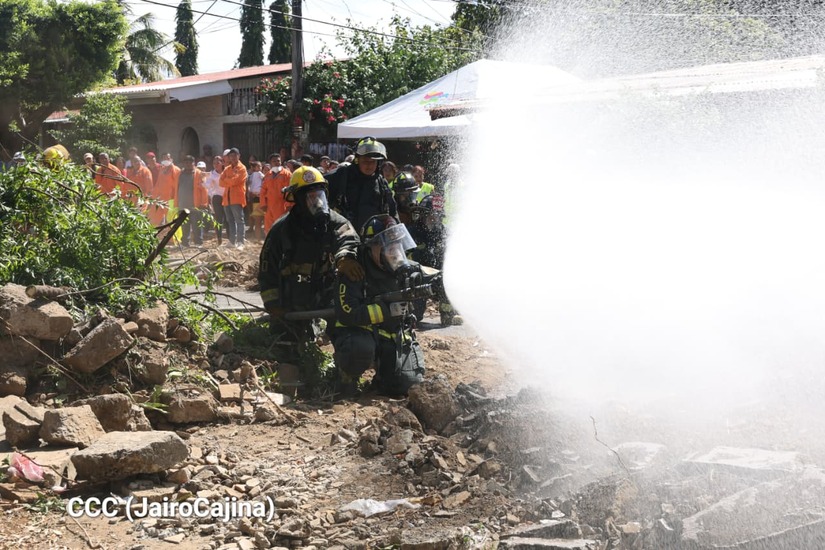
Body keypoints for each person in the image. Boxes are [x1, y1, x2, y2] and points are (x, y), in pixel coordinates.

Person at [258, 166, 362, 347]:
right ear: (298, 199)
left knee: (350, 339)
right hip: (292, 301)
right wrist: (273, 304)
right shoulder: (282, 229)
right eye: (311, 197)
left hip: (327, 295)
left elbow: (349, 238)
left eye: (320, 195)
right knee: (285, 346)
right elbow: (267, 269)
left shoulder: (334, 221)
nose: (318, 202)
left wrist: (345, 257)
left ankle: (345, 357)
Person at [332, 214, 426, 396]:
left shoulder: (407, 269)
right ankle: (346, 379)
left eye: (398, 245)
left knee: (409, 384)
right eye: (388, 246)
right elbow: (348, 313)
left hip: (393, 336)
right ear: (371, 247)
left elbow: (429, 275)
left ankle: (383, 381)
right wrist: (387, 311)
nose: (395, 252)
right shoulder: (354, 269)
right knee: (359, 349)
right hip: (362, 335)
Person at [409, 195, 461, 326]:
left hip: (439, 278)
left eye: (434, 215)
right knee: (415, 317)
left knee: (450, 280)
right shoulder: (411, 233)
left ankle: (448, 314)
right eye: (428, 215)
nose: (431, 218)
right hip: (418, 279)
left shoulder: (445, 234)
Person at [327, 136, 397, 231]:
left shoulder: (381, 183)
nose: (369, 165)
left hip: (373, 236)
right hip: (344, 234)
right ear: (357, 160)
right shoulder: (342, 176)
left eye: (373, 161)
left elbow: (392, 211)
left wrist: (392, 223)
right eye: (365, 161)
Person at [177, 155, 209, 247]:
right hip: (183, 204)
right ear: (183, 163)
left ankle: (198, 242)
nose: (188, 164)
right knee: (184, 225)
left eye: (190, 162)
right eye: (186, 162)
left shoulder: (199, 174)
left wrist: (204, 203)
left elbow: (204, 189)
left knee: (197, 225)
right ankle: (185, 242)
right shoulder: (179, 174)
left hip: (196, 204)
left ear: (193, 163)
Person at [220, 147, 248, 249]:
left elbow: (236, 181)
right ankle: (232, 241)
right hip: (227, 199)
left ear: (239, 156)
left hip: (237, 198)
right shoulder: (227, 168)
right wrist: (230, 180)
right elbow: (220, 182)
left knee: (239, 220)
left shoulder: (242, 168)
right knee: (230, 221)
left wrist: (227, 180)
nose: (232, 157)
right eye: (231, 156)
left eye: (234, 155)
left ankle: (240, 242)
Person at [260, 153, 292, 235]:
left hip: (282, 206)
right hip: (269, 206)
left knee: (281, 226)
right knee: (268, 228)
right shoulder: (268, 175)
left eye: (278, 161)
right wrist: (263, 204)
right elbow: (263, 190)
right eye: (274, 161)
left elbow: (289, 190)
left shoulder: (287, 174)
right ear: (270, 163)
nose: (277, 163)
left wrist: (289, 205)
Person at [149, 153, 180, 226]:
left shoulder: (176, 170)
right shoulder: (162, 170)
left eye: (167, 158)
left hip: (171, 200)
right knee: (154, 218)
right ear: (161, 160)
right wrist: (153, 196)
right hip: (160, 199)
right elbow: (158, 184)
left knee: (171, 221)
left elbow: (178, 186)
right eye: (164, 158)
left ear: (171, 159)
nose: (166, 160)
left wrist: (176, 200)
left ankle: (173, 234)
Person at [204, 155, 226, 245]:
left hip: (227, 197)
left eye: (218, 163)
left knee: (228, 218)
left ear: (222, 163)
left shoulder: (226, 172)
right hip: (217, 197)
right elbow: (207, 185)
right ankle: (219, 238)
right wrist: (203, 182)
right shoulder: (211, 174)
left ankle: (231, 238)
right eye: (214, 163)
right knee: (218, 218)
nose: (216, 165)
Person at [247, 161, 265, 241]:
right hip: (256, 197)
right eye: (258, 166)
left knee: (259, 220)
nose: (259, 168)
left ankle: (259, 238)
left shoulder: (255, 175)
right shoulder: (256, 175)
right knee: (258, 219)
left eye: (260, 166)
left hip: (257, 196)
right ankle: (258, 238)